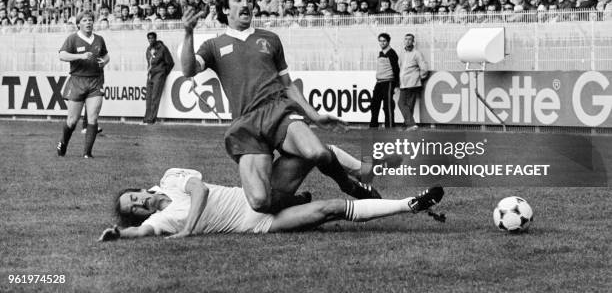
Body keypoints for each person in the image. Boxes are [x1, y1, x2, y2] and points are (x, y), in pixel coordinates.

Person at [181, 0, 380, 215]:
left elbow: (288, 84)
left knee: (316, 152)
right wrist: (188, 32)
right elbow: (188, 70)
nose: (247, 4)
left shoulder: (270, 39)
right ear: (225, 9)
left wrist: (314, 116)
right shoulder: (214, 45)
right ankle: (299, 200)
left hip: (278, 110)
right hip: (246, 124)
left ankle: (350, 186)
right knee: (260, 202)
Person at [98, 168, 444, 241]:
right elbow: (142, 232)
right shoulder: (162, 221)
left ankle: (353, 177)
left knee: (309, 154)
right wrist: (119, 232)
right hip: (257, 222)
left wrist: (189, 229)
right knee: (331, 209)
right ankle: (410, 204)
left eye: (135, 196)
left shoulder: (171, 177)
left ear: (140, 188)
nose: (141, 203)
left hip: (257, 195)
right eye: (135, 208)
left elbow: (200, 191)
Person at [56, 11, 110, 159]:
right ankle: (63, 142)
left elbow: (106, 55)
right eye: (85, 20)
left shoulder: (99, 39)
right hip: (77, 81)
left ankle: (87, 153)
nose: (88, 22)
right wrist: (80, 56)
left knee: (93, 117)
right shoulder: (73, 39)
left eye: (90, 20)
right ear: (79, 23)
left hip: (95, 81)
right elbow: (62, 55)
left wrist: (104, 61)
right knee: (72, 121)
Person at [397, 34, 428, 131]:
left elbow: (424, 68)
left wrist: (418, 78)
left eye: (410, 40)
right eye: (406, 39)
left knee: (401, 103)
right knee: (408, 106)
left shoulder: (417, 53)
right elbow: (400, 67)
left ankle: (410, 124)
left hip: (412, 83)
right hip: (403, 83)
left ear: (413, 42)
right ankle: (407, 125)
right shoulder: (402, 53)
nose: (407, 41)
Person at [143, 32, 175, 125]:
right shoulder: (148, 49)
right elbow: (149, 63)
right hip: (150, 76)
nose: (150, 40)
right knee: (148, 97)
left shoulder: (162, 48)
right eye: (149, 38)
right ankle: (146, 118)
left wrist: (163, 73)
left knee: (154, 97)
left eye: (152, 38)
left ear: (155, 38)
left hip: (159, 75)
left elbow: (170, 63)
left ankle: (151, 119)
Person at [369, 33, 399, 129]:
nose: (382, 43)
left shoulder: (391, 53)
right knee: (374, 105)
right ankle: (373, 126)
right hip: (379, 83)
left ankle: (389, 127)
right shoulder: (381, 53)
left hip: (388, 82)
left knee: (388, 107)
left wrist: (395, 85)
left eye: (384, 41)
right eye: (380, 41)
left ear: (388, 41)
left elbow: (396, 69)